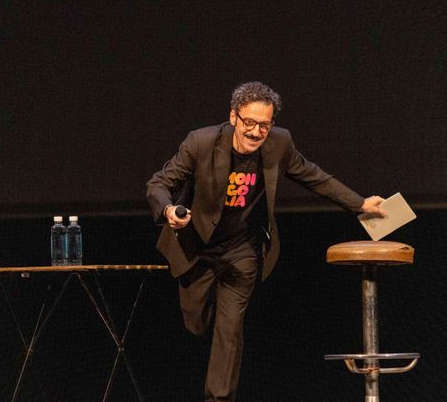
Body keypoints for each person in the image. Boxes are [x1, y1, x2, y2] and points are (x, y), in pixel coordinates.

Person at [146, 81, 387, 401]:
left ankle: (219, 399)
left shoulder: (279, 143)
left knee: (230, 330)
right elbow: (159, 183)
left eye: (264, 124)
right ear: (233, 117)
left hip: (241, 250)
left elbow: (314, 176)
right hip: (198, 247)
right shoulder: (201, 142)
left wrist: (360, 204)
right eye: (249, 122)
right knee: (195, 324)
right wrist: (168, 210)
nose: (256, 132)